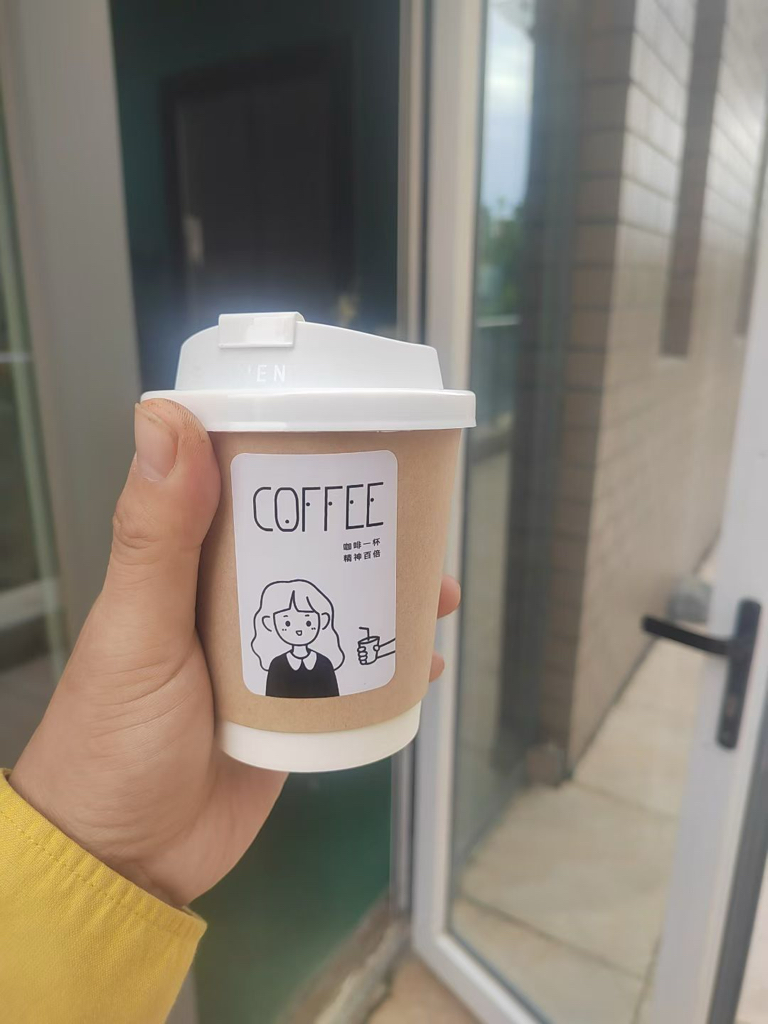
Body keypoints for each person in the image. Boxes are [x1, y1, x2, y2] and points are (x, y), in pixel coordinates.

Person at [0, 399, 461, 1024]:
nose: (298, 626)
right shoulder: (272, 667)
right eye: (287, 620)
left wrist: (108, 863)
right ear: (273, 625)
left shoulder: (325, 661)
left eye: (308, 619)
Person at [252, 579, 344, 697]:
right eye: (287, 623)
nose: (299, 630)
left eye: (308, 622)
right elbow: (271, 698)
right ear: (269, 623)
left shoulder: (324, 663)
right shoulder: (277, 665)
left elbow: (334, 696)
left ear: (323, 620)